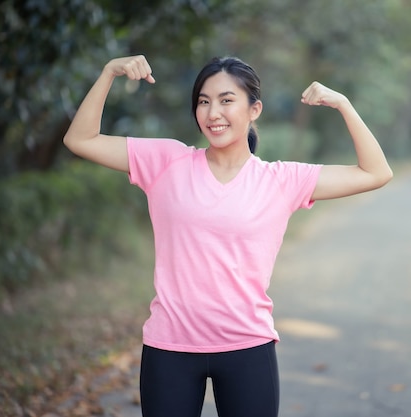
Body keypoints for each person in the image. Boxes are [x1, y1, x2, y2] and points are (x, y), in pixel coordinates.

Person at [63, 54, 393, 417]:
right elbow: (80, 139)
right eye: (203, 102)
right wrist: (110, 72)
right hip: (170, 347)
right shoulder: (166, 161)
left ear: (255, 109)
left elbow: (376, 172)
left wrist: (343, 104)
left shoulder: (281, 180)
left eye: (226, 100)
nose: (212, 113)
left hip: (247, 348)